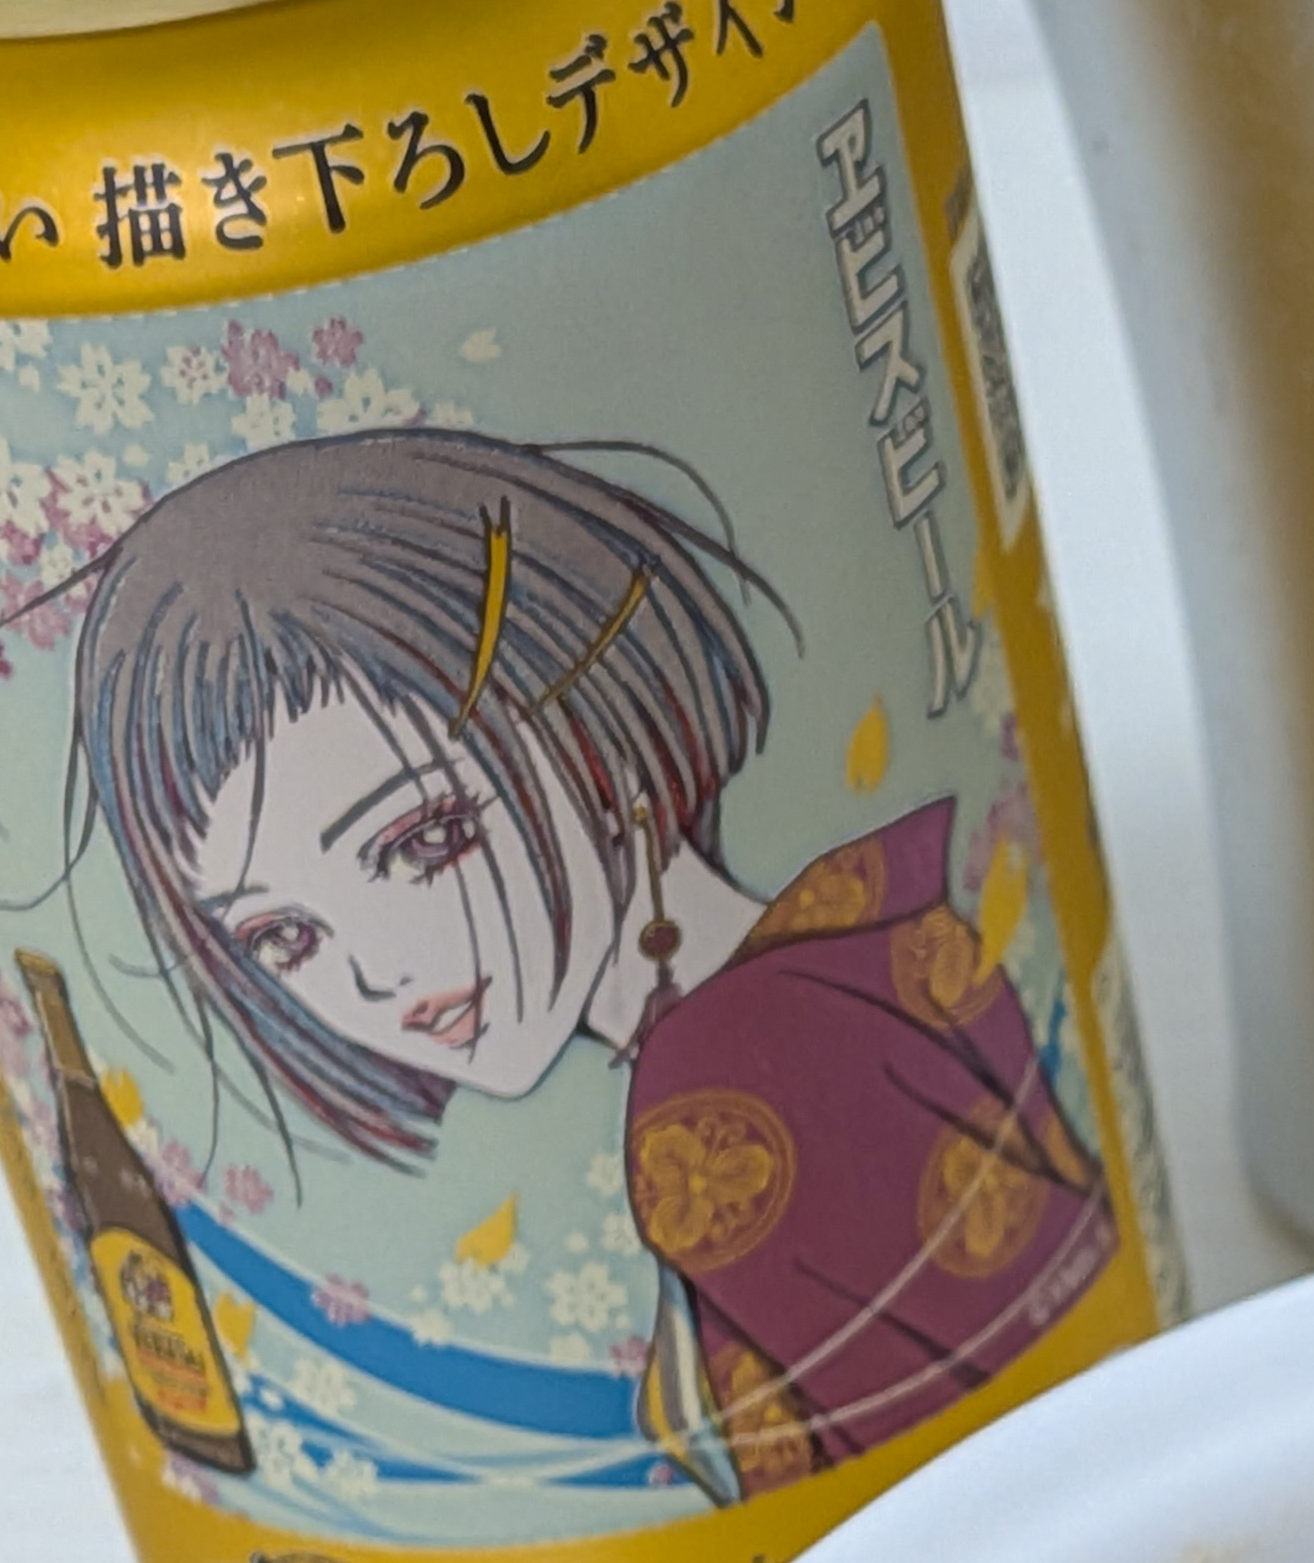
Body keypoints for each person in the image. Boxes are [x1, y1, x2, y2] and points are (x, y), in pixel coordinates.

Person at [67, 427, 1113, 1501]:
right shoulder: (866, 926)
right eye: (284, 937)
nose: (375, 976)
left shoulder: (724, 1074)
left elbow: (961, 1509)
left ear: (599, 735)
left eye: (425, 840)